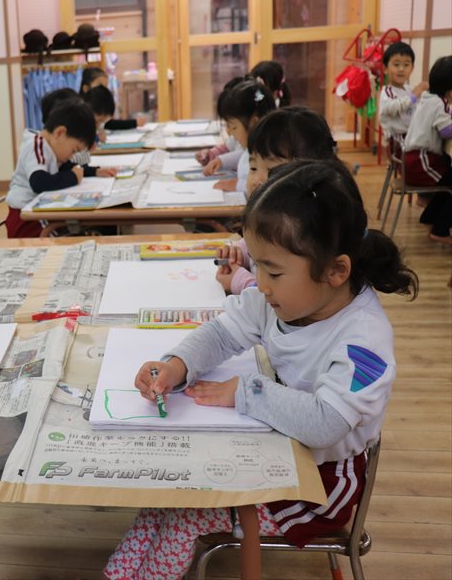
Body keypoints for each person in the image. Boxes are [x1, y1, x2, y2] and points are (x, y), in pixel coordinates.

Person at [104, 159, 418, 580]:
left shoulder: (364, 341)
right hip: (277, 449)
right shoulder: (283, 299)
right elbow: (223, 332)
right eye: (257, 265)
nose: (260, 283)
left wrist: (246, 391)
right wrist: (177, 365)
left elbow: (326, 424)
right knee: (167, 494)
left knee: (188, 512)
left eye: (273, 270)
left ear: (335, 270)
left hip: (321, 486)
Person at [216, 107, 340, 295]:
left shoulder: (303, 229)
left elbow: (284, 299)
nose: (256, 180)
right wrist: (241, 252)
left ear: (310, 172)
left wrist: (241, 282)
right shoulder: (273, 215)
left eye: (272, 170)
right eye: (253, 168)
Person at [5, 98, 96, 238]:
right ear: (60, 133)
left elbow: (69, 167)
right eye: (74, 150)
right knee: (69, 239)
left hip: (38, 213)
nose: (72, 156)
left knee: (78, 231)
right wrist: (73, 177)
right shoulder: (36, 145)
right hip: (25, 219)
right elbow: (39, 182)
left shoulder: (52, 148)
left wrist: (95, 171)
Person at [403, 55, 452, 244]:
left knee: (448, 180)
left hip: (413, 161)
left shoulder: (429, 98)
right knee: (449, 179)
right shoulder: (439, 104)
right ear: (450, 92)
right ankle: (440, 230)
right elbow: (446, 130)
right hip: (421, 163)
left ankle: (430, 219)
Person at [203, 80, 276, 193]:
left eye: (234, 127)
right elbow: (243, 155)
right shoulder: (252, 148)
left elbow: (264, 186)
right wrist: (222, 160)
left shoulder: (270, 154)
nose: (230, 133)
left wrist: (237, 185)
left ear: (254, 123)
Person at [378, 41, 428, 140]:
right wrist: (413, 95)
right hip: (397, 140)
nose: (401, 69)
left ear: (412, 68)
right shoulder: (387, 92)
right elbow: (392, 108)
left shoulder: (409, 89)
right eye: (396, 65)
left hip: (412, 136)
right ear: (385, 69)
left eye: (406, 65)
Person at [80, 67, 148, 130]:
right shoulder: (80, 110)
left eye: (106, 86)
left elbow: (108, 124)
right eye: (100, 86)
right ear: (86, 88)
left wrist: (135, 123)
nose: (104, 90)